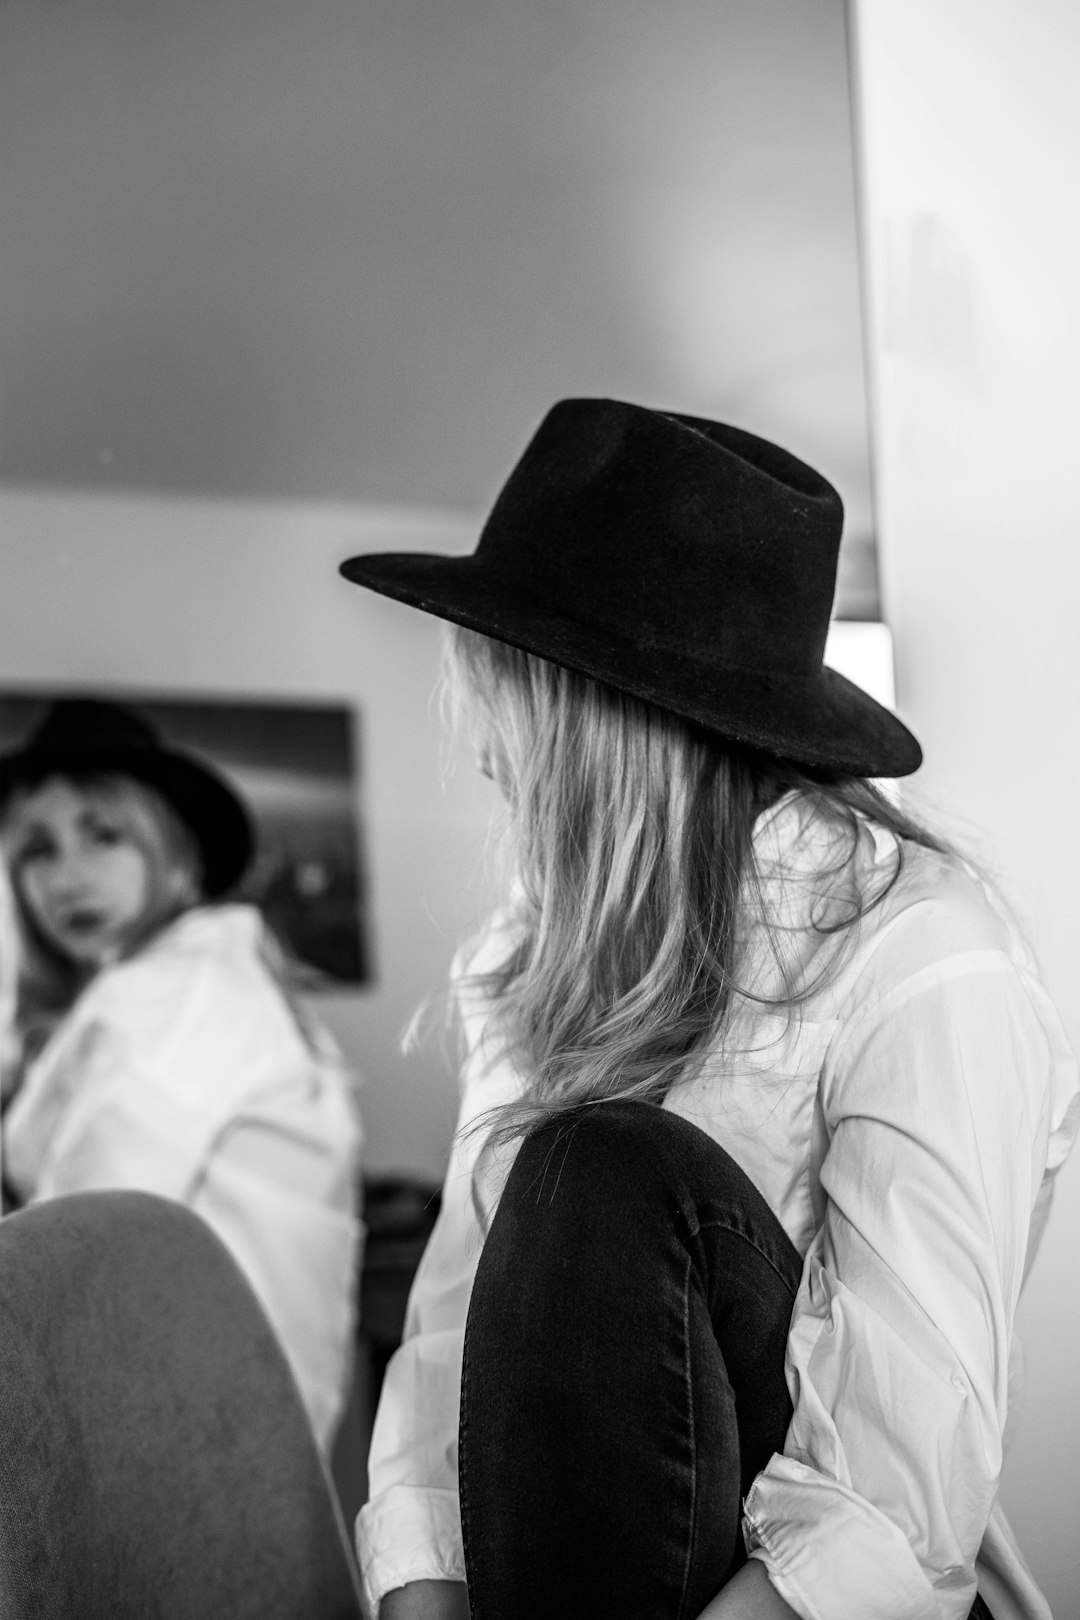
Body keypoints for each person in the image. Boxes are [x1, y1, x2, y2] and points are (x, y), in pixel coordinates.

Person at [339, 398, 1079, 1620]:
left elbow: (891, 1503)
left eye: (499, 687)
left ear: (591, 713)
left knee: (597, 1165)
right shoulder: (531, 955)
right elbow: (451, 1335)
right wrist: (425, 1600)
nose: (477, 748)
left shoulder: (929, 955)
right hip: (560, 1576)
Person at [0, 697, 364, 1452]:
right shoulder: (181, 978)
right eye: (36, 848)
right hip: (213, 1436)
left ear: (172, 849)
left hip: (180, 1445)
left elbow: (72, 1248)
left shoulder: (177, 994)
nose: (66, 877)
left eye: (103, 835)